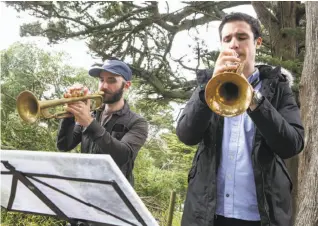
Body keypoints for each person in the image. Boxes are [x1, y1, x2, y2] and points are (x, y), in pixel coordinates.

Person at [176, 12, 304, 226]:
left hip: (260, 216)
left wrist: (254, 99)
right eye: (227, 39)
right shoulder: (207, 87)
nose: (234, 44)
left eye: (242, 37)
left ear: (258, 43)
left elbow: (292, 144)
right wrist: (206, 90)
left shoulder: (278, 87)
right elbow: (186, 134)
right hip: (208, 214)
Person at [57, 59, 148, 186]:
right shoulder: (92, 114)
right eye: (101, 80)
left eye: (111, 80)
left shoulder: (137, 122)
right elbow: (64, 146)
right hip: (86, 190)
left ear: (126, 86)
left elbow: (123, 156)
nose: (104, 86)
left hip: (116, 196)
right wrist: (70, 115)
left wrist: (89, 123)